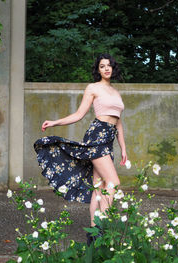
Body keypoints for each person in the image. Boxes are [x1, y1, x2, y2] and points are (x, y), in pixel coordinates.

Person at [33, 53, 127, 232]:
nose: (106, 68)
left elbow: (118, 121)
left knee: (99, 188)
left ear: (113, 68)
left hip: (109, 139)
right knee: (113, 182)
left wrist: (123, 147)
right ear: (98, 70)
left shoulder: (115, 92)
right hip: (96, 137)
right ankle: (102, 229)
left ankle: (93, 236)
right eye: (102, 66)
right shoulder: (93, 88)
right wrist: (54, 122)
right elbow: (78, 114)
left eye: (109, 65)